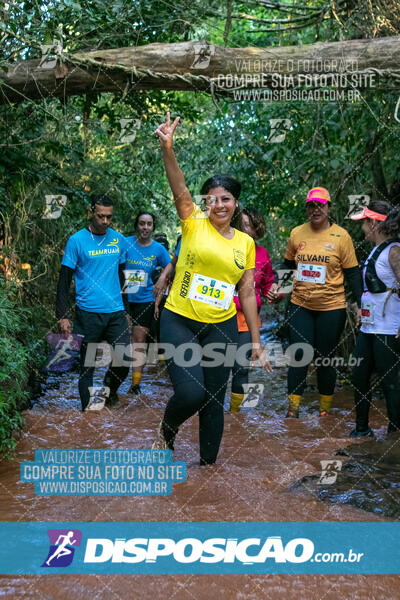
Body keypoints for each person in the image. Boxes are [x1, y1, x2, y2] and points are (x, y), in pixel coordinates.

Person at [154, 112, 272, 465]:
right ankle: (166, 430)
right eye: (213, 199)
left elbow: (248, 292)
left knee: (213, 400)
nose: (218, 205)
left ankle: (207, 472)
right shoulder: (193, 224)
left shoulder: (245, 244)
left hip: (220, 326)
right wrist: (168, 148)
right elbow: (178, 187)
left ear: (235, 203)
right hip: (180, 320)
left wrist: (255, 341)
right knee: (191, 393)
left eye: (226, 199)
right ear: (206, 202)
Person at [267, 187, 362, 418]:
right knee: (299, 355)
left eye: (321, 205)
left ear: (328, 208)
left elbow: (352, 274)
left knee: (325, 357)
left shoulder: (342, 236)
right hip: (300, 305)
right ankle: (293, 411)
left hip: (332, 307)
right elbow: (288, 267)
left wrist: (361, 305)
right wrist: (279, 289)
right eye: (312, 205)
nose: (316, 209)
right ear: (307, 209)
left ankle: (325, 411)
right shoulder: (297, 234)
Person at [56, 194, 130, 411]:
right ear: (91, 213)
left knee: (124, 359)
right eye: (100, 216)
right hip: (87, 313)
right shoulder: (76, 241)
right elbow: (64, 281)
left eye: (109, 217)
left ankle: (109, 389)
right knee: (87, 365)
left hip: (115, 312)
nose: (105, 221)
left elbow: (123, 276)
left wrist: (126, 310)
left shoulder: (118, 239)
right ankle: (88, 412)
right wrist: (63, 315)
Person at [349, 201, 400, 437]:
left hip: (389, 329)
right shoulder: (375, 250)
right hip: (369, 327)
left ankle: (394, 435)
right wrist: (361, 309)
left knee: (390, 382)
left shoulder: (394, 250)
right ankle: (362, 430)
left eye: (364, 223)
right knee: (359, 375)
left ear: (373, 223)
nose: (362, 228)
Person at [230, 207, 274, 412]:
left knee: (240, 368)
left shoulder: (263, 254)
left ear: (258, 229)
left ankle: (234, 416)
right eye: (243, 225)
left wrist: (275, 293)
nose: (246, 230)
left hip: (247, 320)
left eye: (250, 226)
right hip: (220, 316)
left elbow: (267, 285)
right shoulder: (225, 247)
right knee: (216, 366)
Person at [125, 212, 171, 394]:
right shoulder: (125, 243)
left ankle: (135, 384)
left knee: (138, 341)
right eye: (142, 223)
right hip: (123, 300)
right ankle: (113, 379)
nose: (145, 227)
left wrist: (162, 278)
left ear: (153, 227)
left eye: (149, 224)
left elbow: (171, 265)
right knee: (120, 342)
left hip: (145, 300)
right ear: (137, 225)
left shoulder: (159, 249)